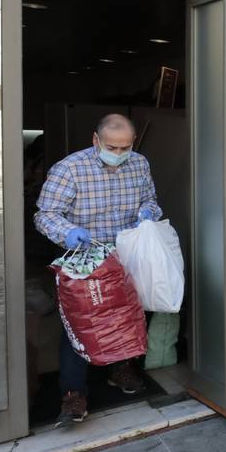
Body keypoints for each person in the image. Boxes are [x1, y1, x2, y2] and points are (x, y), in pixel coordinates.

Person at [34, 114, 161, 426]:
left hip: (125, 254)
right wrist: (67, 233)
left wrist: (148, 213)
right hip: (84, 257)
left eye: (125, 148)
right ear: (95, 141)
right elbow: (45, 214)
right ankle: (73, 394)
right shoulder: (70, 169)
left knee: (128, 317)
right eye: (111, 147)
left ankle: (120, 371)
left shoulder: (140, 164)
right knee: (81, 326)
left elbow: (152, 201)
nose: (119, 154)